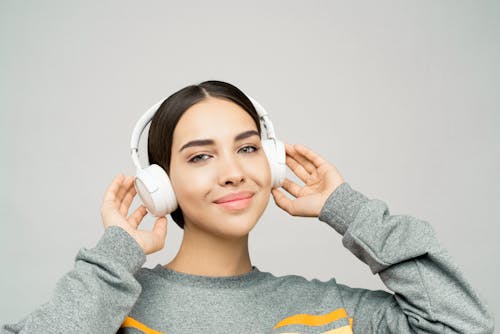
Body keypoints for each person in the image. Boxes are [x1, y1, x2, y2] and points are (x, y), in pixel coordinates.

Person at [1, 80, 494, 334]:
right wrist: (112, 262)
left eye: (248, 147)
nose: (233, 171)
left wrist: (351, 210)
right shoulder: (107, 309)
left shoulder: (329, 313)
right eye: (200, 156)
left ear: (272, 162)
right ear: (160, 184)